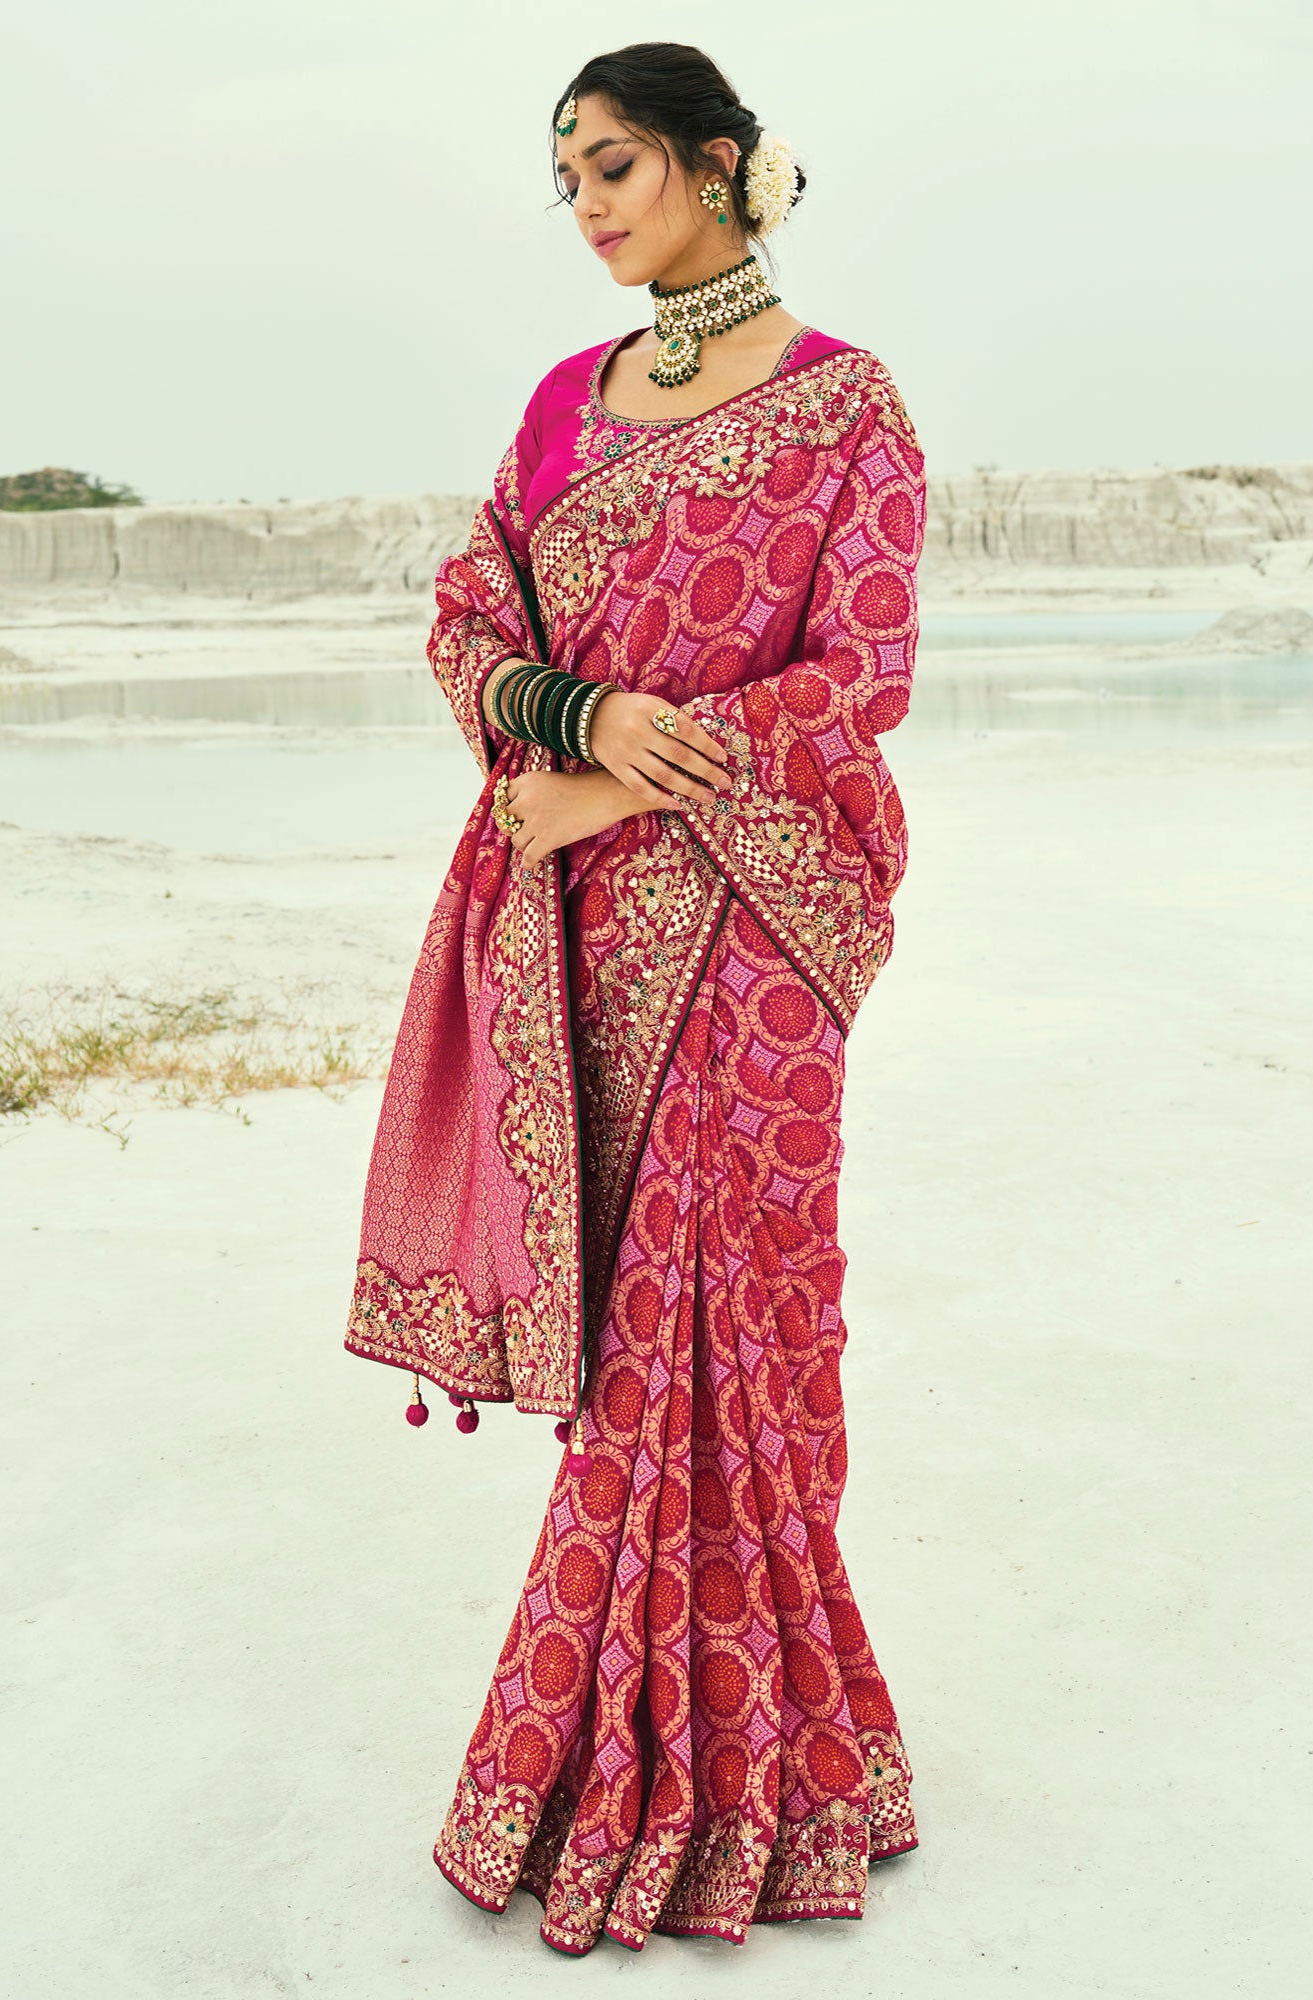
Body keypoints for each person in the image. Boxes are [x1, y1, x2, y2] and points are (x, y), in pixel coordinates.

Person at [343, 40, 925, 1956]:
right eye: (569, 175)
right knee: (632, 1334)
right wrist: (578, 725)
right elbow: (471, 614)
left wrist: (630, 772)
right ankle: (735, 1746)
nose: (588, 204)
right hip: (584, 926)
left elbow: (862, 675)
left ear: (721, 165)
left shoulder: (849, 409)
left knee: (727, 1337)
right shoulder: (563, 408)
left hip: (761, 928)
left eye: (616, 167)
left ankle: (732, 1767)